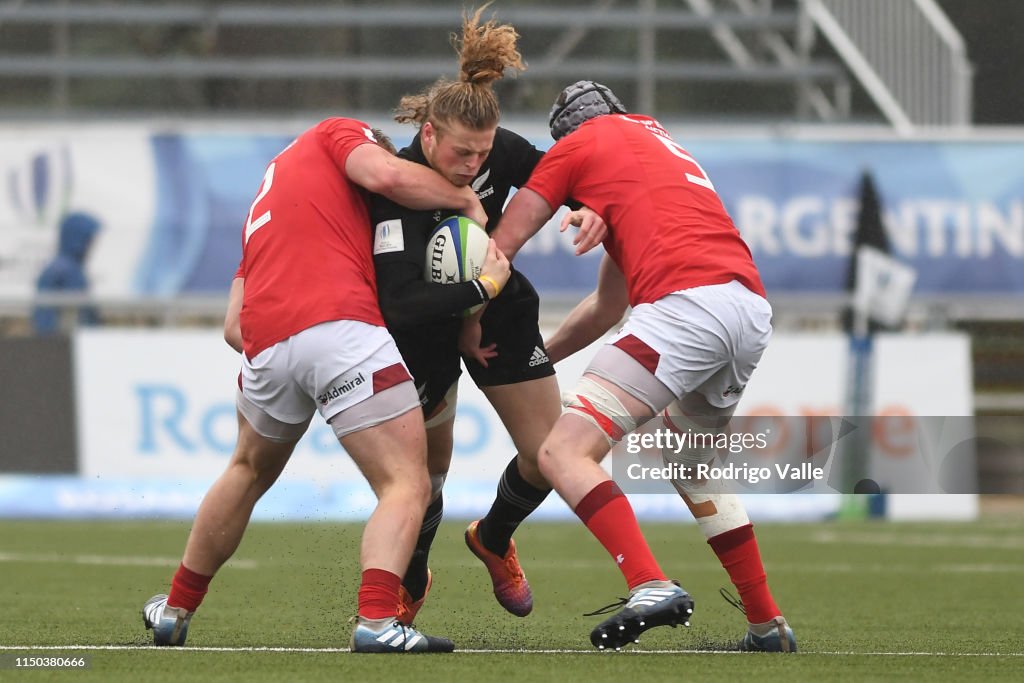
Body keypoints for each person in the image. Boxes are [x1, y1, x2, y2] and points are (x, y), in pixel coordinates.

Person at [142, 116, 499, 654]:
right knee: (407, 483)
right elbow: (386, 176)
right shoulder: (338, 132)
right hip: (340, 328)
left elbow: (233, 329)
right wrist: (469, 202)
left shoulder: (268, 196)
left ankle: (174, 609)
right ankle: (378, 620)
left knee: (245, 470)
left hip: (266, 346)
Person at [491, 81, 797, 652]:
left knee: (563, 452)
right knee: (692, 467)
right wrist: (541, 358)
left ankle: (648, 582)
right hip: (747, 311)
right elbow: (608, 306)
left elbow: (503, 244)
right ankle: (766, 625)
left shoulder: (576, 149)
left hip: (684, 310)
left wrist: (466, 305)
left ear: (566, 136)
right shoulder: (656, 144)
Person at [369, 7, 605, 624]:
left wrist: (590, 207)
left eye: (482, 152)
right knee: (425, 476)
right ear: (427, 137)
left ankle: (493, 536)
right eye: (462, 152)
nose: (475, 163)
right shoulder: (395, 181)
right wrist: (466, 304)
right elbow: (398, 301)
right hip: (424, 331)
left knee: (555, 454)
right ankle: (413, 577)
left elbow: (573, 182)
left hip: (500, 316)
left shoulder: (506, 150)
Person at [32, 211, 101, 334]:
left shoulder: (64, 268)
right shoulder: (65, 271)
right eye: (88, 239)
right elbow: (47, 320)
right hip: (64, 345)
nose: (91, 245)